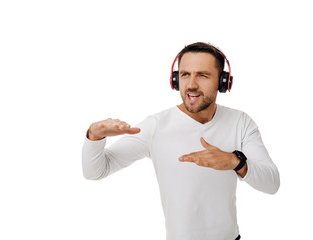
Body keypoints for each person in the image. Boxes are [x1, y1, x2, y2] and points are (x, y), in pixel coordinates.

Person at [81, 42, 280, 240]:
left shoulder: (241, 122)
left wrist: (235, 162)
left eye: (202, 75)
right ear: (175, 80)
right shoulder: (156, 126)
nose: (191, 85)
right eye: (185, 74)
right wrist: (95, 136)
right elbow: (96, 171)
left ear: (223, 81)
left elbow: (272, 184)